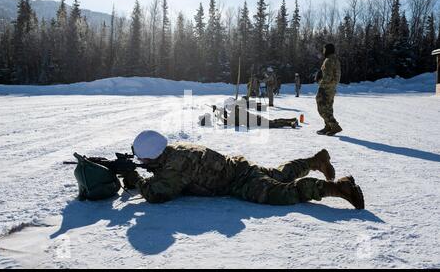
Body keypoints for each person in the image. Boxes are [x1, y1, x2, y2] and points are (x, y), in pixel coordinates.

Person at [125, 131, 365, 209]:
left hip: (237, 181)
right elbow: (165, 172)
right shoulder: (173, 150)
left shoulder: (175, 166)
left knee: (281, 193)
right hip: (238, 165)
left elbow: (159, 194)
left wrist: (135, 178)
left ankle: (339, 188)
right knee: (279, 175)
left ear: (151, 156)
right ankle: (316, 161)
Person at [316, 44, 343, 136]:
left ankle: (334, 126)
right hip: (331, 88)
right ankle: (328, 126)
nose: (323, 51)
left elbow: (327, 78)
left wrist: (319, 80)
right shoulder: (335, 60)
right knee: (328, 108)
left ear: (327, 50)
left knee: (322, 108)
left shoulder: (328, 61)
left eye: (324, 50)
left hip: (326, 87)